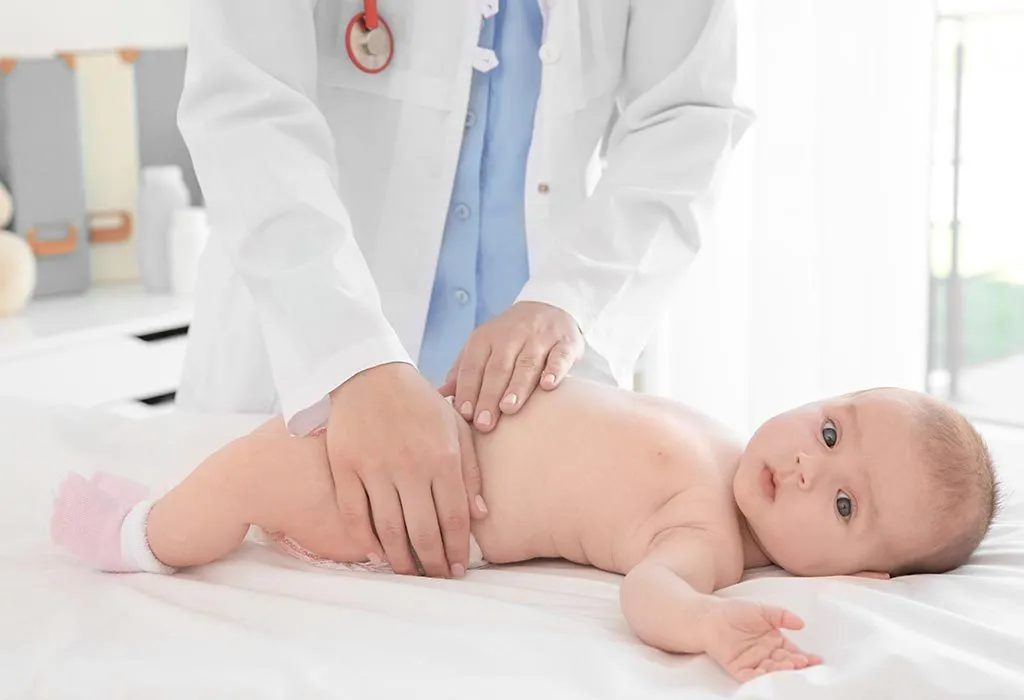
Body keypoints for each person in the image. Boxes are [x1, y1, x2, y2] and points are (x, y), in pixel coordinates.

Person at [172, 0, 754, 578]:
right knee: (245, 519)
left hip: (528, 419)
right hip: (306, 351)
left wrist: (575, 297)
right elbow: (246, 103)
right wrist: (350, 360)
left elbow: (688, 112)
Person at [52, 381, 999, 682]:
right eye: (830, 431)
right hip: (421, 433)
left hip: (416, 507)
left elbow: (650, 592)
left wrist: (710, 626)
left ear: (861, 579)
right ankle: (165, 507)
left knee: (272, 462)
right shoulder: (722, 442)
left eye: (842, 505)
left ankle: (143, 535)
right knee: (286, 438)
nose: (806, 465)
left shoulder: (704, 536)